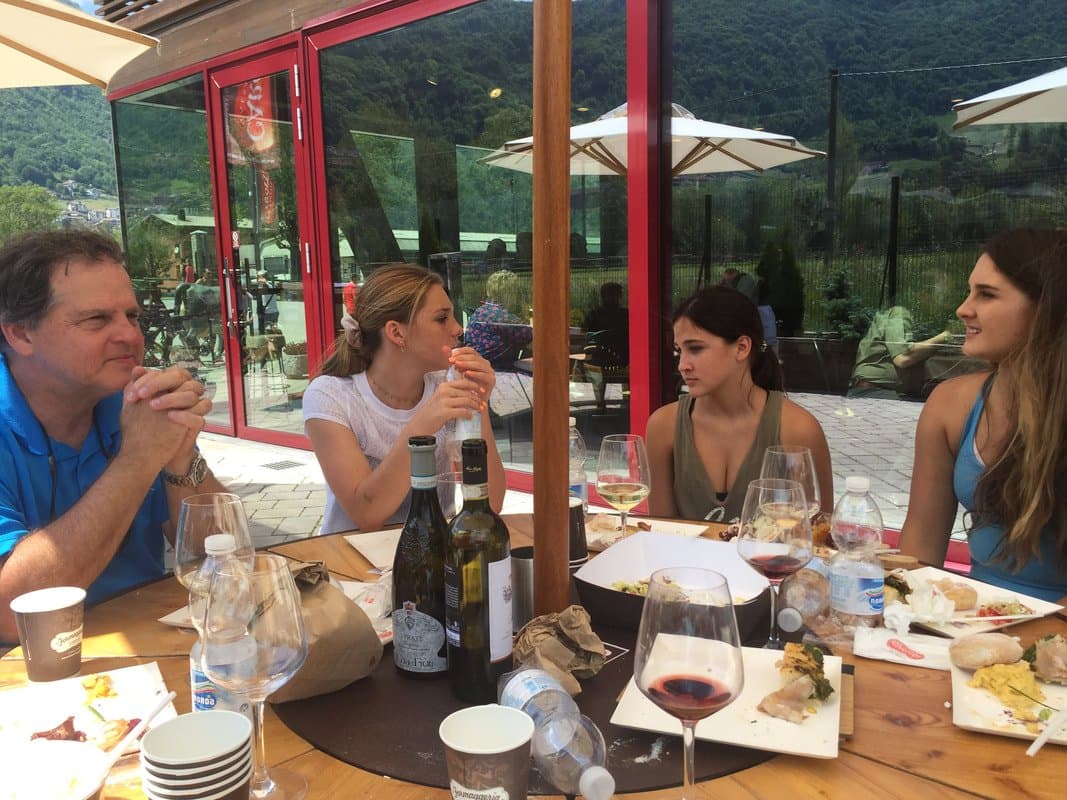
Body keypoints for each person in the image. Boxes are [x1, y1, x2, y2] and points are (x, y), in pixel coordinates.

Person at [0, 230, 225, 642]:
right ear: (20, 334)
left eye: (132, 316)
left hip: (152, 650)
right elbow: (13, 614)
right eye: (96, 319)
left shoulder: (125, 401)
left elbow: (223, 562)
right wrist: (138, 459)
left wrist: (180, 456)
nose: (130, 336)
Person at [900, 229, 1067, 603]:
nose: (963, 309)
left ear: (1047, 308)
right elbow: (918, 549)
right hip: (972, 627)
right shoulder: (951, 404)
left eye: (986, 294)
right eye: (969, 291)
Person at [303, 263, 506, 534]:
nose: (458, 328)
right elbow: (367, 514)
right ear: (397, 333)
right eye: (441, 318)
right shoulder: (330, 397)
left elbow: (491, 502)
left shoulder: (445, 386)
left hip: (434, 552)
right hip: (353, 559)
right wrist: (423, 425)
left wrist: (477, 404)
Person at [646, 286, 833, 523]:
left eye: (695, 348)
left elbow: (818, 535)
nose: (683, 364)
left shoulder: (797, 429)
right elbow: (660, 533)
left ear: (742, 347)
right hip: (681, 561)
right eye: (678, 350)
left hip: (770, 561)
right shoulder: (664, 426)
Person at [848, 306, 952, 399]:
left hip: (878, 392)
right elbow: (902, 358)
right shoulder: (898, 312)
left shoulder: (894, 316)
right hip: (874, 393)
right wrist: (946, 335)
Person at [464, 269, 533, 370]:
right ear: (509, 294)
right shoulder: (502, 317)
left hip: (477, 368)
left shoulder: (482, 310)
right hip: (495, 371)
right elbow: (537, 338)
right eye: (517, 293)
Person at [583, 281, 629, 365]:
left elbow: (585, 333)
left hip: (608, 359)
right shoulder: (594, 315)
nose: (614, 297)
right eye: (611, 294)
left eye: (616, 295)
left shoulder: (626, 314)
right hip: (606, 358)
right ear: (603, 296)